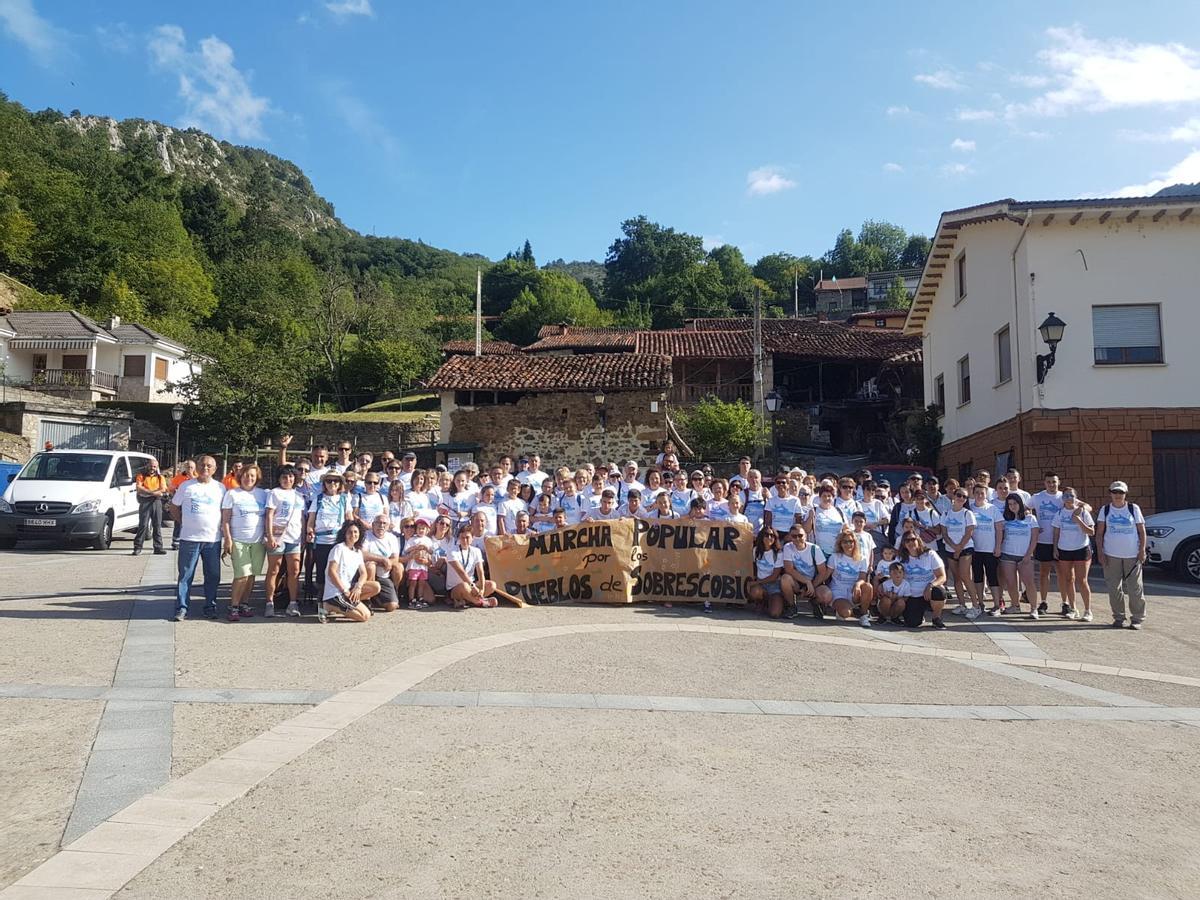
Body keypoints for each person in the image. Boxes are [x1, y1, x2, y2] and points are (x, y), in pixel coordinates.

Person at [170, 455, 225, 621]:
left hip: (212, 539)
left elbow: (225, 512)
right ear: (197, 467)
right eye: (202, 465)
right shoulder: (186, 486)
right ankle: (182, 607)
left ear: (215, 469)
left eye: (209, 466)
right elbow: (173, 507)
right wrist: (184, 522)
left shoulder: (221, 488)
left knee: (213, 575)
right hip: (189, 538)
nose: (205, 468)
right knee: (186, 574)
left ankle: (210, 606)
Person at [1095, 481, 1147, 629]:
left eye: (1121, 493)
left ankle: (1137, 618)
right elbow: (1099, 534)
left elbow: (1141, 531)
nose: (1118, 495)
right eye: (1115, 492)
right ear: (1110, 493)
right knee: (1114, 587)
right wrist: (1100, 552)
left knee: (1135, 588)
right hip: (1111, 554)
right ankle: (1118, 617)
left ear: (1125, 494)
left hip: (1132, 554)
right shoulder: (1105, 510)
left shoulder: (1133, 508)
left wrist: (1142, 550)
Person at [221, 464, 267, 621]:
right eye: (246, 475)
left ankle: (244, 604)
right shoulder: (232, 494)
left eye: (253, 476)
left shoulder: (263, 494)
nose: (249, 478)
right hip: (239, 540)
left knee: (252, 575)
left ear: (257, 478)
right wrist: (227, 539)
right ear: (240, 476)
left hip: (258, 541)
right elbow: (225, 519)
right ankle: (233, 606)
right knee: (242, 575)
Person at [306, 472, 352, 621]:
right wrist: (310, 530)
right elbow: (311, 520)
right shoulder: (318, 499)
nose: (332, 484)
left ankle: (335, 601)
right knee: (321, 573)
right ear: (324, 483)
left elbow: (349, 519)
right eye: (329, 481)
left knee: (338, 572)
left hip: (338, 541)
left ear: (340, 484)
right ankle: (322, 603)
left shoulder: (344, 499)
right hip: (321, 541)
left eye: (336, 481)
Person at [263, 464, 304, 617]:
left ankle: (293, 603)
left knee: (294, 570)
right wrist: (270, 536)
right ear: (279, 479)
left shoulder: (299, 495)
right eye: (284, 477)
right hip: (278, 537)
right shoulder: (275, 493)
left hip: (295, 537)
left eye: (291, 477)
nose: (288, 479)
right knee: (274, 569)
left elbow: (301, 518)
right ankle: (269, 603)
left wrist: (304, 536)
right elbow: (269, 515)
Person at [322, 521, 380, 622]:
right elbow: (332, 572)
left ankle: (347, 606)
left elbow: (363, 573)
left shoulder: (357, 552)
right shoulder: (339, 548)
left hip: (349, 589)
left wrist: (358, 587)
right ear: (344, 534)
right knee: (364, 616)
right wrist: (344, 591)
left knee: (375, 587)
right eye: (350, 532)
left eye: (356, 532)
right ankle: (329, 606)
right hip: (336, 592)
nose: (353, 535)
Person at [1053, 487, 1095, 621]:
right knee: (1068, 579)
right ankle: (1072, 608)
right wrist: (1055, 548)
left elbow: (1091, 531)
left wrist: (1078, 520)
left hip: (1081, 548)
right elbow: (1056, 532)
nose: (1068, 498)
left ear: (1076, 497)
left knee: (1082, 580)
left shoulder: (1083, 512)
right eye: (1066, 495)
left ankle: (1088, 610)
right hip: (1064, 549)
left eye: (1071, 495)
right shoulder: (1059, 513)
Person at [996, 495, 1039, 619]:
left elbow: (1034, 538)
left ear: (1020, 503)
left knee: (1029, 582)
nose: (1013, 506)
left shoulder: (1031, 518)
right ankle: (1015, 605)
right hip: (1007, 554)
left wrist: (1028, 554)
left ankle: (1033, 608)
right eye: (1010, 504)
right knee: (1011, 582)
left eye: (1015, 503)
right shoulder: (1005, 519)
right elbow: (1001, 535)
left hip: (1024, 555)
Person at [941, 487, 980, 619]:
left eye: (964, 497)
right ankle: (962, 605)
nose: (961, 498)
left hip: (965, 548)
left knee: (965, 576)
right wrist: (953, 546)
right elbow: (944, 533)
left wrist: (959, 548)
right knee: (956, 577)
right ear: (953, 496)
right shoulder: (946, 513)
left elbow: (969, 532)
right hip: (950, 549)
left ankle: (976, 606)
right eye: (959, 495)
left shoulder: (967, 513)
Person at [1029, 472, 1065, 615]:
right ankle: (1043, 602)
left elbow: (1084, 506)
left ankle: (1065, 603)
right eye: (1049, 482)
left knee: (1062, 573)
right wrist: (1033, 522)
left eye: (1054, 482)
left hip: (1061, 541)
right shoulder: (1037, 497)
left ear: (1058, 482)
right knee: (1044, 573)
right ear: (1044, 483)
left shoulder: (1064, 497)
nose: (1051, 485)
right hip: (1043, 540)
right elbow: (1025, 508)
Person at [968, 483, 1004, 616]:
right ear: (973, 493)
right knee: (977, 577)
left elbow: (999, 529)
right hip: (975, 549)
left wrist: (998, 546)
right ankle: (980, 603)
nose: (979, 495)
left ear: (986, 494)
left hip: (990, 549)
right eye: (976, 493)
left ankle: (996, 605)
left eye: (982, 493)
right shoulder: (970, 509)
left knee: (992, 577)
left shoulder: (992, 509)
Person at [780, 525, 830, 619]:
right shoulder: (788, 547)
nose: (797, 538)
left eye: (800, 535)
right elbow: (789, 569)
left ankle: (815, 603)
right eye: (794, 536)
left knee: (826, 595)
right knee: (785, 579)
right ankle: (792, 606)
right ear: (790, 537)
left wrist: (811, 585)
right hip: (798, 581)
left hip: (814, 581)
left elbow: (822, 572)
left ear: (806, 536)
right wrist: (806, 582)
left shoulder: (815, 549)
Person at [826, 531, 874, 626]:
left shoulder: (862, 559)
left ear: (855, 543)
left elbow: (862, 577)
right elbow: (826, 575)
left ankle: (863, 615)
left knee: (868, 586)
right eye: (845, 542)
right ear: (840, 543)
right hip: (838, 591)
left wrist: (858, 584)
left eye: (851, 542)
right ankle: (842, 609)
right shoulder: (834, 557)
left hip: (854, 591)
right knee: (845, 613)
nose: (848, 544)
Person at [898, 534, 947, 628]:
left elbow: (942, 576)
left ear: (918, 540)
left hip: (929, 592)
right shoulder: (901, 558)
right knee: (912, 623)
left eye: (913, 539)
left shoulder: (930, 554)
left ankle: (936, 618)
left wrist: (930, 585)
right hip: (912, 595)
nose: (910, 542)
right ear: (903, 544)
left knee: (939, 592)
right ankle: (919, 614)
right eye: (907, 541)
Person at [446, 524, 498, 608]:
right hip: (456, 587)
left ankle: (467, 600)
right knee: (464, 586)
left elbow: (480, 571)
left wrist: (482, 588)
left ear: (472, 538)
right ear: (459, 538)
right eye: (462, 537)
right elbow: (461, 572)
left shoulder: (476, 551)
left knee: (492, 585)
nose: (465, 540)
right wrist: (473, 587)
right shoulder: (452, 551)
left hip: (471, 585)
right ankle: (480, 602)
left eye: (467, 537)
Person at [362, 515, 402, 612]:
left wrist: (385, 562)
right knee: (370, 565)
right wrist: (383, 560)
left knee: (398, 566)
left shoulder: (392, 538)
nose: (381, 525)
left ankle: (393, 593)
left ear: (388, 526)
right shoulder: (366, 535)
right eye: (379, 522)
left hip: (384, 573)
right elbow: (362, 554)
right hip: (367, 573)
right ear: (373, 524)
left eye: (384, 523)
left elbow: (395, 558)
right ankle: (367, 600)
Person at [132, 458, 170, 556]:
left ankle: (158, 547)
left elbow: (163, 489)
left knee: (157, 525)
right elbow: (139, 488)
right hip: (145, 502)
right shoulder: (141, 476)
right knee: (143, 525)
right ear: (147, 466)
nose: (152, 468)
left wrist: (148, 492)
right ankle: (137, 548)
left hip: (156, 502)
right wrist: (153, 492)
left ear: (157, 467)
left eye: (154, 466)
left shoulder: (160, 477)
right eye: (151, 466)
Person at [747, 527, 784, 616]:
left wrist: (756, 582)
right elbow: (754, 567)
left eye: (772, 536)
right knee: (754, 592)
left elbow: (774, 576)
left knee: (775, 614)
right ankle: (760, 602)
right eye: (766, 535)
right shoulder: (756, 550)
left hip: (774, 585)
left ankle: (774, 601)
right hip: (761, 585)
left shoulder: (778, 553)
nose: (769, 538)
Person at [806, 484, 850, 557]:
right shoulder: (813, 510)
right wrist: (810, 517)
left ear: (833, 497)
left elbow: (846, 529)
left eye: (829, 496)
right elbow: (806, 530)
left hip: (836, 552)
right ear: (820, 497)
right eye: (824, 496)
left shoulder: (839, 511)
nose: (826, 498)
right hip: (818, 552)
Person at [168, 459, 196, 549]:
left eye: (191, 467)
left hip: (193, 504)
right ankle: (176, 542)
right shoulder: (178, 477)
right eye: (188, 467)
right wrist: (176, 497)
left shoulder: (197, 477)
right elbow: (171, 489)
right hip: (181, 504)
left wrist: (191, 476)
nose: (189, 469)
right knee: (178, 522)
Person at [877, 561, 912, 626]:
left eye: (900, 572)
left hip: (896, 605)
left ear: (903, 574)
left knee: (901, 603)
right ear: (890, 574)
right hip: (886, 605)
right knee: (886, 600)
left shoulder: (906, 584)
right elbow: (880, 597)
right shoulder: (886, 584)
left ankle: (895, 618)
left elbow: (906, 598)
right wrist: (886, 595)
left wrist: (897, 597)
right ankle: (883, 617)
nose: (897, 575)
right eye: (895, 573)